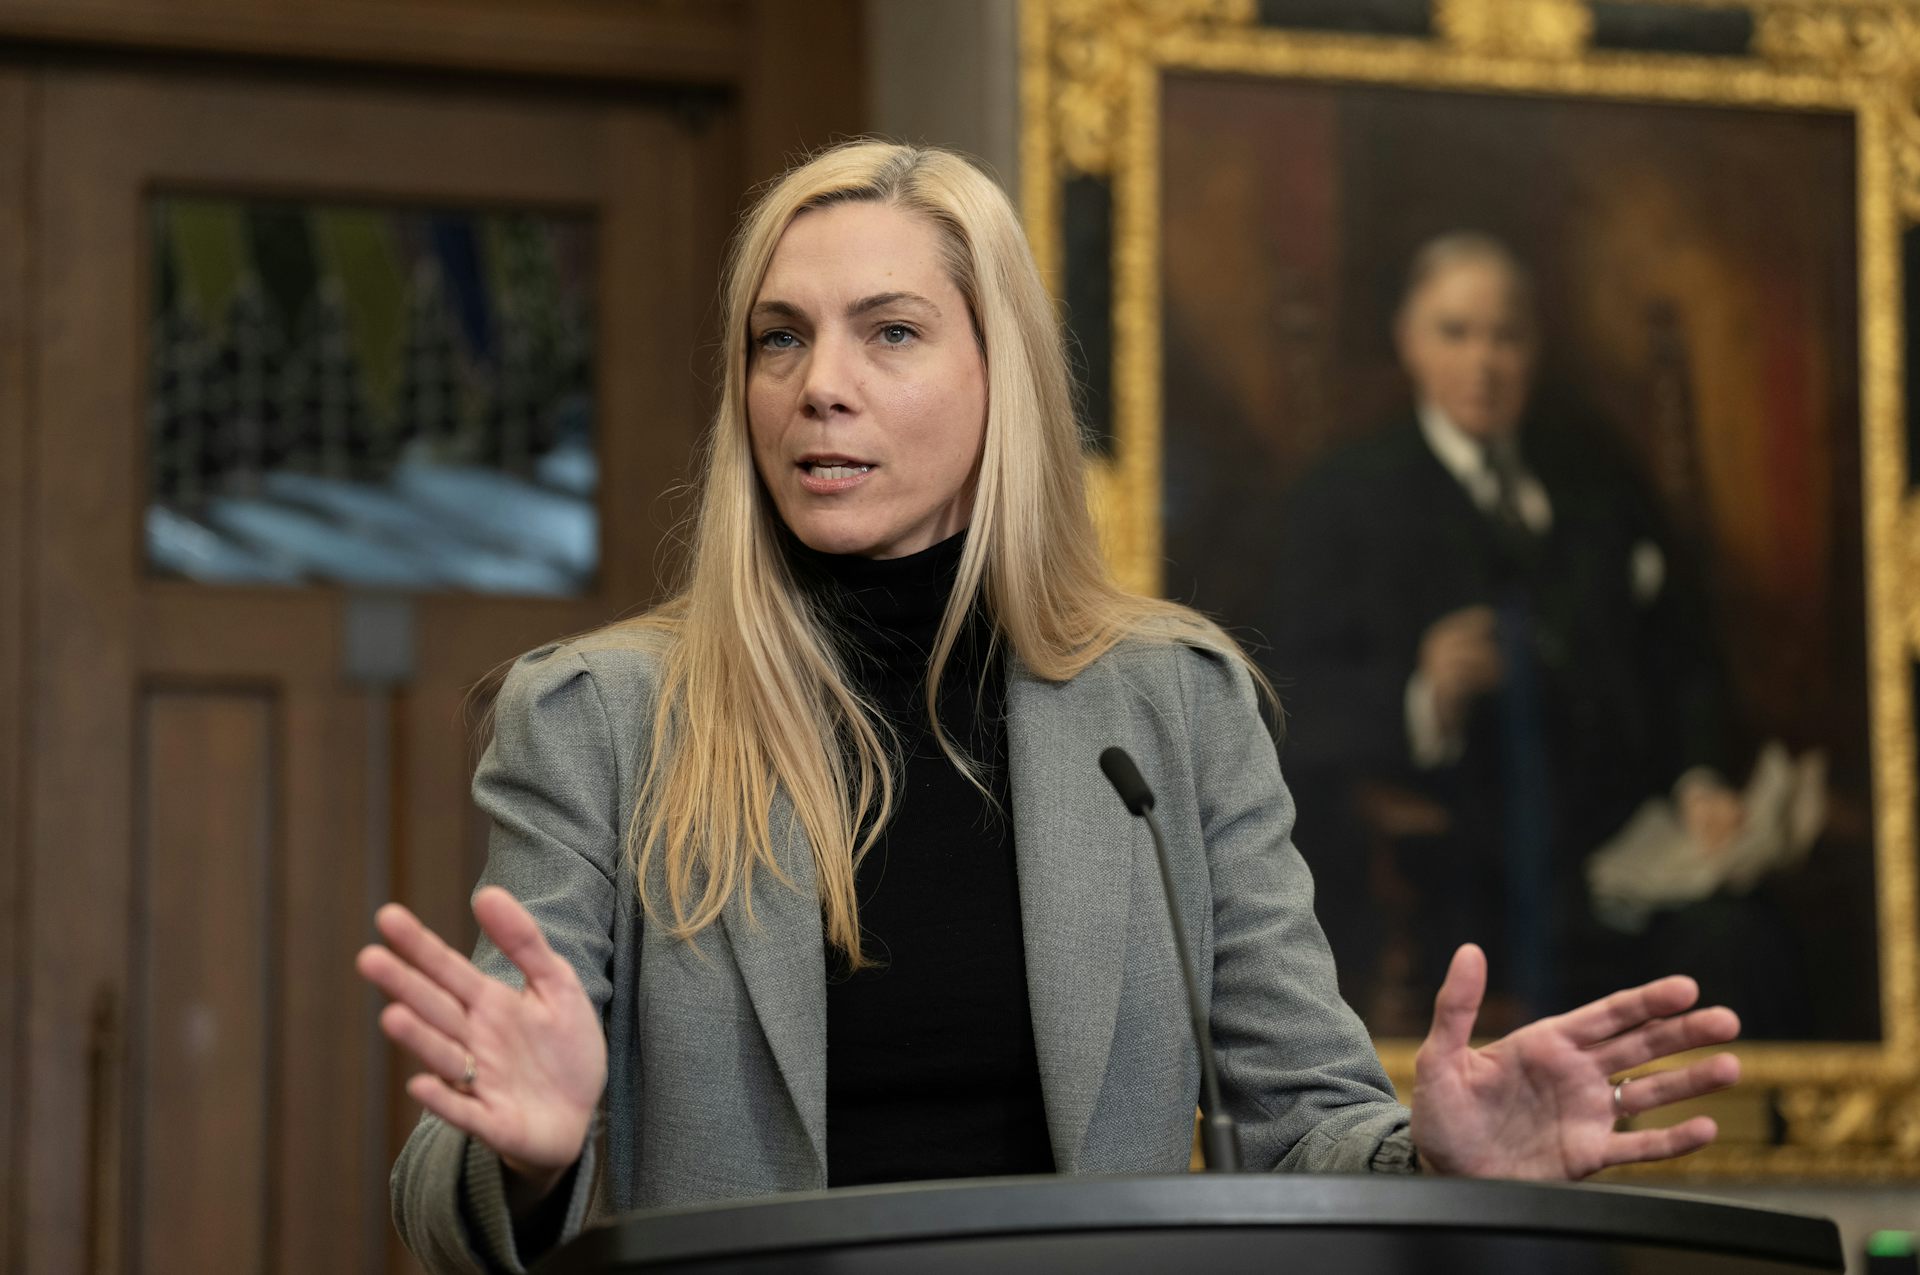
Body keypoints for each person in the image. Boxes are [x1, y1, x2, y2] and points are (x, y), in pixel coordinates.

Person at [356, 148, 1741, 1275]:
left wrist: (1436, 1158)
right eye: (779, 338)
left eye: (890, 332)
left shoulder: (1175, 707)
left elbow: (1307, 1125)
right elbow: (439, 1196)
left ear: (999, 376)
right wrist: (529, 1153)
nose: (818, 383)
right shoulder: (600, 719)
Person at [1271, 233, 1760, 1031]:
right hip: (1461, 870)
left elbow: (1681, 654)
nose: (1484, 362)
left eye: (1507, 336)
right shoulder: (1344, 498)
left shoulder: (1594, 478)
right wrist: (1424, 695)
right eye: (1455, 333)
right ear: (1408, 341)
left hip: (1630, 849)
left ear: (1535, 347)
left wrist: (1700, 776)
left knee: (1743, 952)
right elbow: (1294, 695)